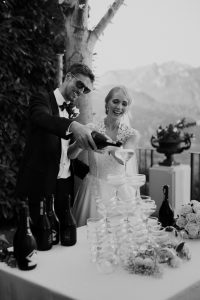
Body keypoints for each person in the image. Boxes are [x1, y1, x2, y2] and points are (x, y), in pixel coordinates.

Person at [16, 63, 96, 225]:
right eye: (80, 85)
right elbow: (41, 118)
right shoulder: (41, 99)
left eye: (86, 90)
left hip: (65, 186)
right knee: (40, 238)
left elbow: (65, 152)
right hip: (41, 185)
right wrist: (73, 126)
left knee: (64, 237)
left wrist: (92, 172)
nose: (81, 91)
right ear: (68, 77)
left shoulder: (70, 110)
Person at [68, 86, 140, 227]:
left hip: (119, 193)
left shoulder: (132, 135)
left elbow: (124, 159)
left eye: (124, 104)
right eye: (115, 101)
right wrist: (81, 143)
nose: (119, 106)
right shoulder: (91, 128)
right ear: (107, 103)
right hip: (93, 190)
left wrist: (110, 146)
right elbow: (71, 154)